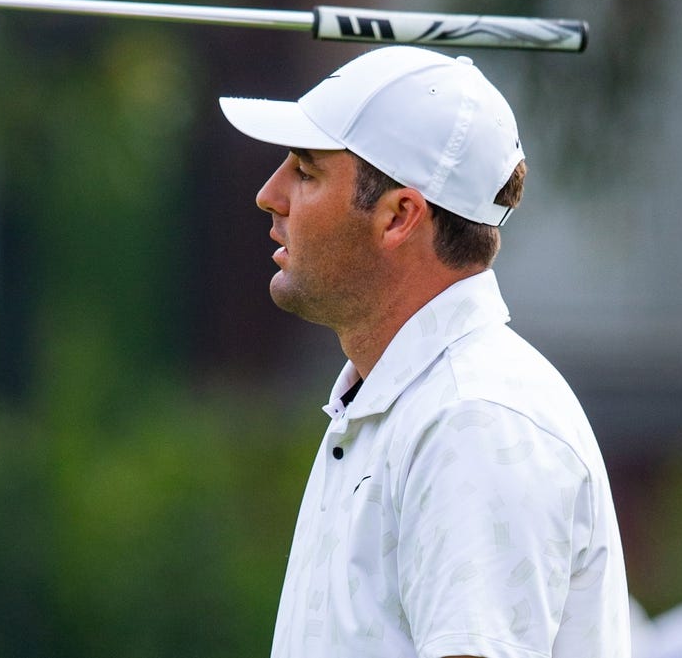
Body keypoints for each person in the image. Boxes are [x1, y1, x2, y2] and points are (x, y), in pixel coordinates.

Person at [219, 46, 631, 658]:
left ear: (398, 217)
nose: (269, 194)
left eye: (306, 171)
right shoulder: (410, 402)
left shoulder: (473, 418)